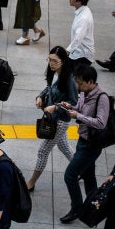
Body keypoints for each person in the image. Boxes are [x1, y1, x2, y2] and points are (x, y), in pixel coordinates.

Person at [58, 65, 109, 223]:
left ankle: (77, 209)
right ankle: (93, 206)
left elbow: (101, 122)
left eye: (80, 83)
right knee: (88, 175)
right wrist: (71, 107)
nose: (78, 86)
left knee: (70, 175)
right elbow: (79, 108)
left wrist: (78, 115)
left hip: (91, 145)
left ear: (91, 81)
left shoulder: (102, 98)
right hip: (83, 140)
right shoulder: (84, 92)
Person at [27, 47, 78, 190]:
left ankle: (31, 183)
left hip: (60, 121)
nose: (51, 63)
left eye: (55, 61)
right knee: (65, 148)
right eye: (49, 59)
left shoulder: (69, 80)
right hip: (51, 118)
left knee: (42, 151)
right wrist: (40, 96)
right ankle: (82, 170)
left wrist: (55, 107)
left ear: (63, 61)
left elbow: (74, 103)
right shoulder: (53, 73)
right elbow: (48, 87)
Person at [66, 0, 95, 69]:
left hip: (82, 56)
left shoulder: (83, 18)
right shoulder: (82, 10)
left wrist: (67, 51)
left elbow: (78, 38)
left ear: (80, 1)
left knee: (74, 79)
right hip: (77, 52)